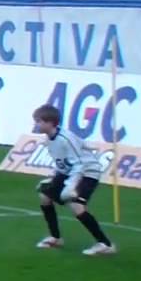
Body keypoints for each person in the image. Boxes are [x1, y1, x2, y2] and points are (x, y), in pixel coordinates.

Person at [32, 105, 117, 255]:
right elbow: (64, 160)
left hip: (87, 172)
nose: (36, 124)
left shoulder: (65, 138)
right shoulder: (50, 139)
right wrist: (54, 177)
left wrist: (70, 186)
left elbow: (79, 165)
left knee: (76, 206)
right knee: (44, 196)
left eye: (38, 121)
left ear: (50, 122)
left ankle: (105, 244)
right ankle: (55, 237)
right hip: (69, 172)